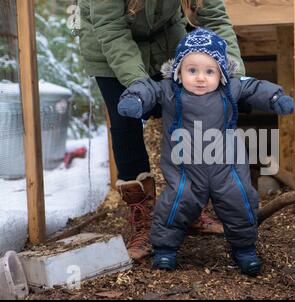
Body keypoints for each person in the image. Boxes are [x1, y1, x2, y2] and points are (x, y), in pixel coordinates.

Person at [117, 28, 294, 276]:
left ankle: (244, 250)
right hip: (185, 169)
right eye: (192, 70)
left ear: (221, 72)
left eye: (209, 71)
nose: (200, 78)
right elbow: (147, 88)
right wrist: (134, 99)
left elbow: (254, 87)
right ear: (178, 70)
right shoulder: (169, 90)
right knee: (176, 202)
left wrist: (276, 98)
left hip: (227, 167)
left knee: (240, 200)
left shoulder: (230, 88)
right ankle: (165, 250)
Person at [78, 0, 246, 260]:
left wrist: (235, 75)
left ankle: (188, 209)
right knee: (126, 124)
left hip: (165, 39)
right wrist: (138, 85)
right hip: (110, 47)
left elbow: (214, 18)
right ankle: (144, 222)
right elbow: (111, 29)